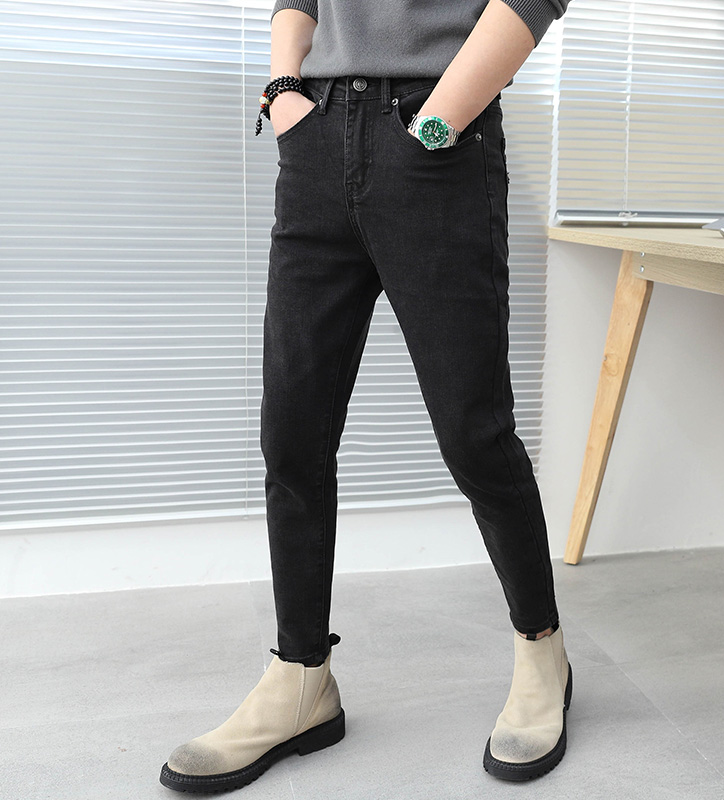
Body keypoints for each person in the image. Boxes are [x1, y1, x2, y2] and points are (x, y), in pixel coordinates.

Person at [160, 0, 572, 792]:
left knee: (474, 435)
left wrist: (440, 121)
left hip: (436, 138)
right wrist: (285, 91)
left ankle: (541, 653)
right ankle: (301, 678)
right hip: (315, 139)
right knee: (292, 436)